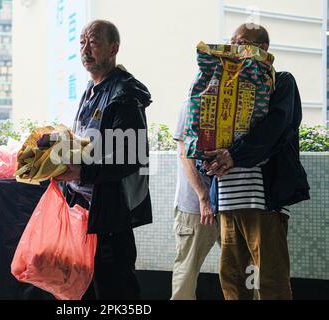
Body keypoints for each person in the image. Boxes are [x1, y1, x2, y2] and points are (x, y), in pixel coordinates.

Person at [203, 24, 310, 300]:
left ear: (262, 49)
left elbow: (274, 129)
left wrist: (233, 155)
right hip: (227, 201)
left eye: (241, 43)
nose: (233, 48)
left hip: (262, 201)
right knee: (233, 280)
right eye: (231, 42)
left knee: (270, 280)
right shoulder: (224, 86)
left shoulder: (281, 82)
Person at [55, 20, 152, 300]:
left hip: (109, 216)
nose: (86, 49)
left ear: (114, 48)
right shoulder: (91, 90)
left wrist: (82, 172)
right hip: (84, 211)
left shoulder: (124, 94)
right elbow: (86, 144)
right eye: (82, 42)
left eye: (94, 43)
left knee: (114, 290)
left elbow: (132, 156)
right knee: (85, 290)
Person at [171, 105, 219, 300]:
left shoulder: (231, 102)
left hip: (228, 204)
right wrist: (203, 197)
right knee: (187, 270)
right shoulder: (191, 105)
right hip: (194, 206)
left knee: (242, 267)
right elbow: (185, 155)